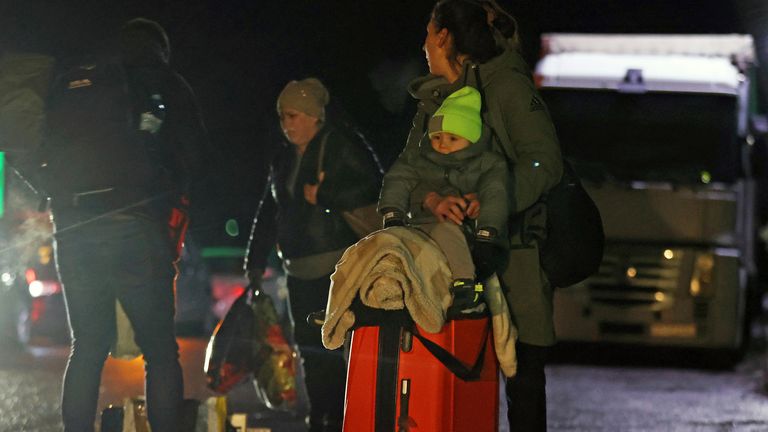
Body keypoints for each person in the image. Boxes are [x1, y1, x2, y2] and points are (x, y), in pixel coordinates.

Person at [403, 1, 564, 430]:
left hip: (516, 258)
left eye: (427, 32)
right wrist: (432, 199)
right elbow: (408, 173)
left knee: (522, 383)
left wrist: (493, 198)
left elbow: (544, 163)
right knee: (452, 380)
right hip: (449, 263)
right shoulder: (432, 99)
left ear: (442, 37)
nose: (422, 44)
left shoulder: (508, 85)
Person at [42, 18, 208, 432]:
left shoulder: (82, 83)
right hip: (134, 222)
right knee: (158, 349)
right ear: (161, 50)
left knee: (88, 346)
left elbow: (43, 149)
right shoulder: (162, 82)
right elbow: (195, 155)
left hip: (74, 225)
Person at [244, 78, 381, 432]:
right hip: (298, 269)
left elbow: (375, 185)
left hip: (337, 267)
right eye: (282, 117)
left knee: (335, 347)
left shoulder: (340, 143)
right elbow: (268, 210)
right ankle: (320, 417)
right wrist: (255, 262)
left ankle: (337, 418)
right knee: (308, 348)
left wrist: (325, 193)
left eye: (293, 115)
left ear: (313, 116)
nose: (286, 124)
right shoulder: (283, 156)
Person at [378, 85, 508, 316]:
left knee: (447, 231)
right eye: (436, 137)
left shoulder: (487, 164)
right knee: (376, 247)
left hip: (463, 231)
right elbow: (398, 178)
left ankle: (465, 285)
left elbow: (496, 193)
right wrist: (393, 214)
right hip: (418, 224)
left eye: (452, 138)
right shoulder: (421, 159)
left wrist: (486, 230)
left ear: (472, 137)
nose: (442, 144)